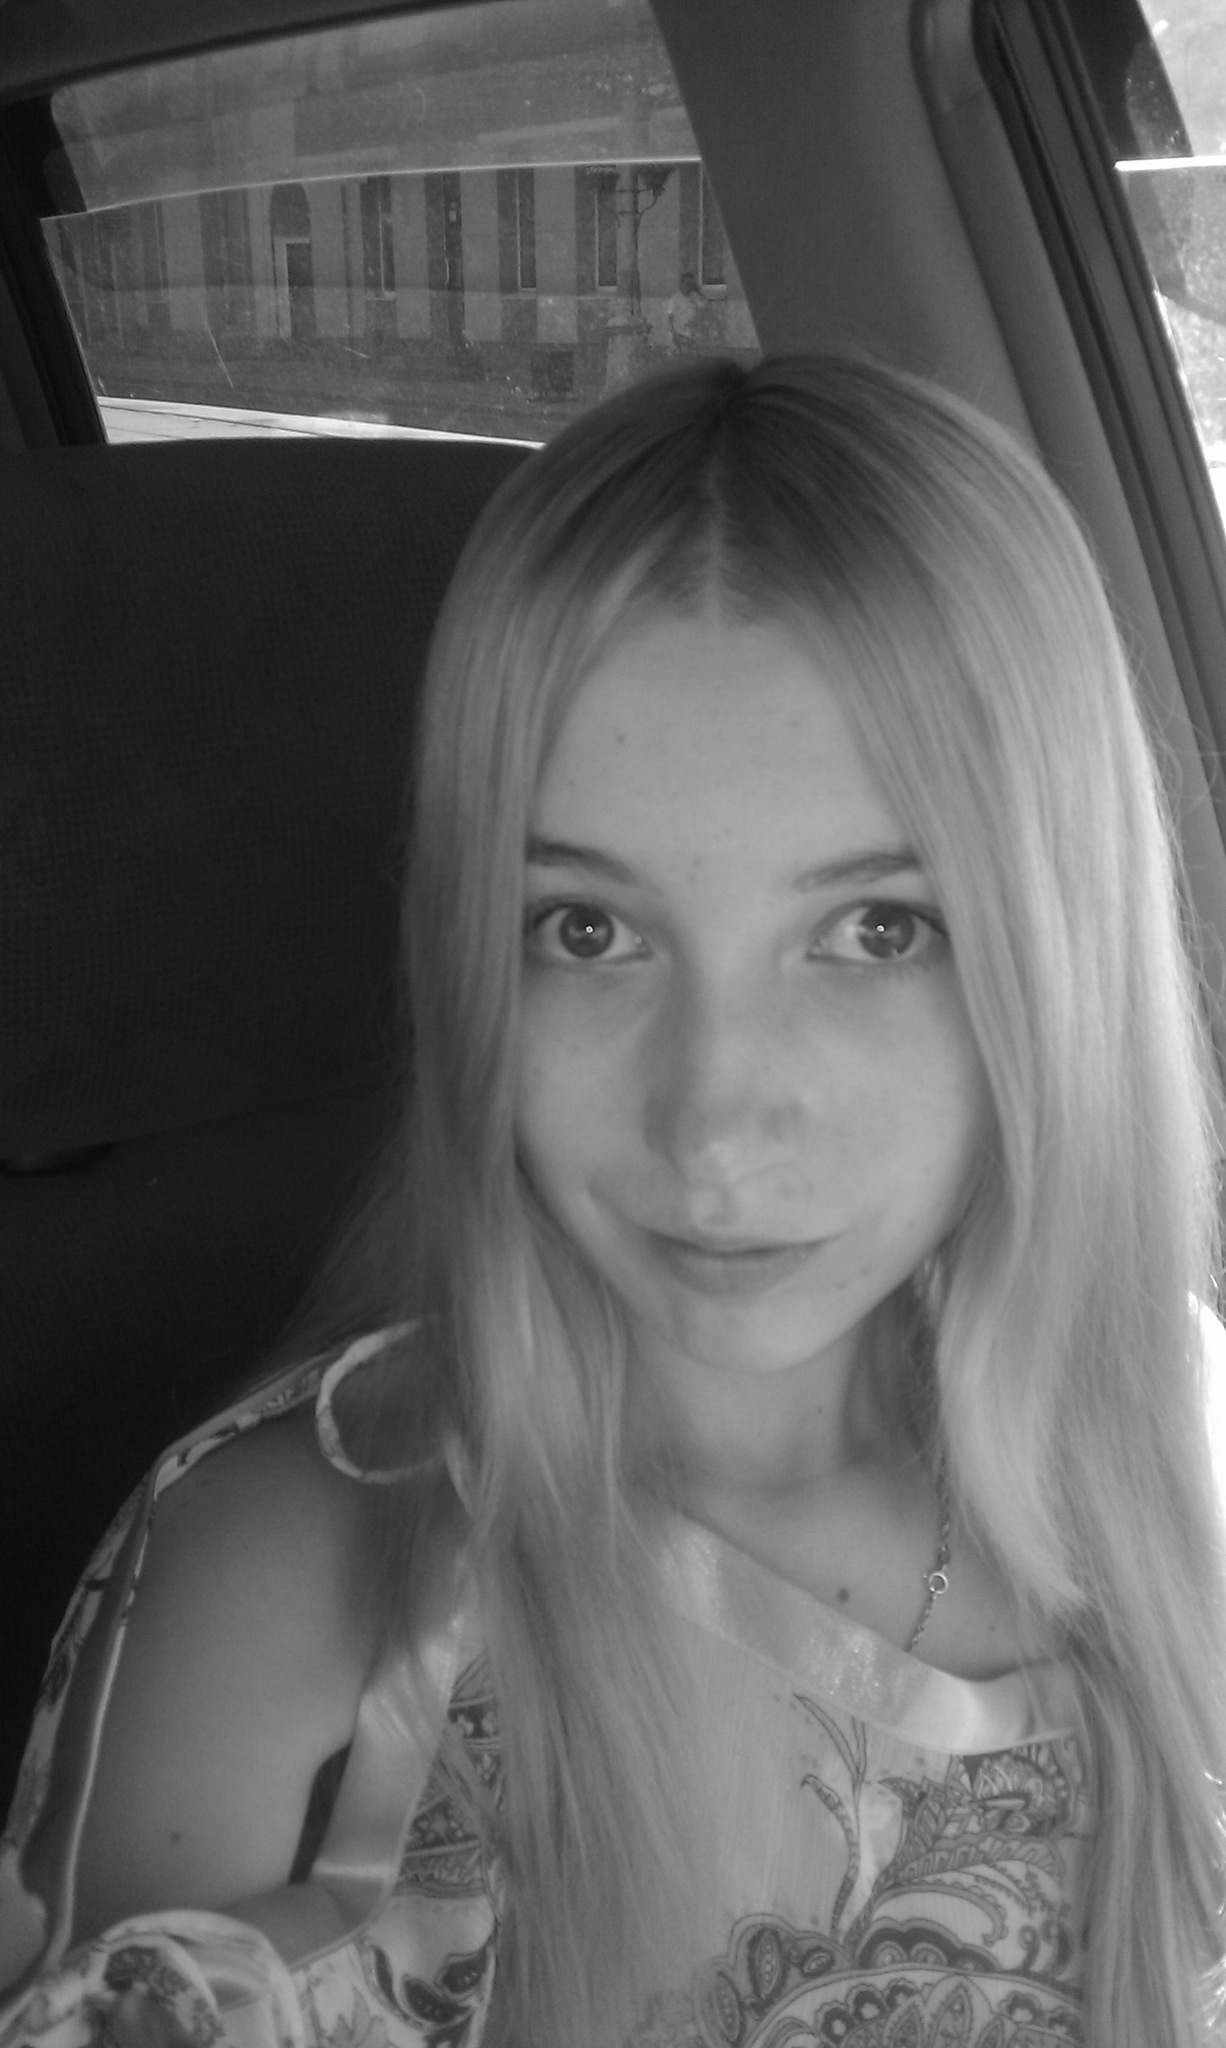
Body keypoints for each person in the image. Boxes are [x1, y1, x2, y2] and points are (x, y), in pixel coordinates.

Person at [2, 356, 1225, 2048]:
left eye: (879, 928)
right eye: (586, 930)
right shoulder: (294, 1586)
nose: (711, 1117)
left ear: (1058, 952)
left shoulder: (1184, 1432)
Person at [666, 269, 708, 352]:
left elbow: (703, 310)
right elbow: (670, 315)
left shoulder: (695, 297)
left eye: (690, 284)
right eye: (686, 284)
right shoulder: (675, 299)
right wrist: (672, 331)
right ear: (681, 284)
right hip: (678, 333)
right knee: (678, 352)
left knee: (691, 353)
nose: (688, 287)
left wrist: (696, 322)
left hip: (692, 333)